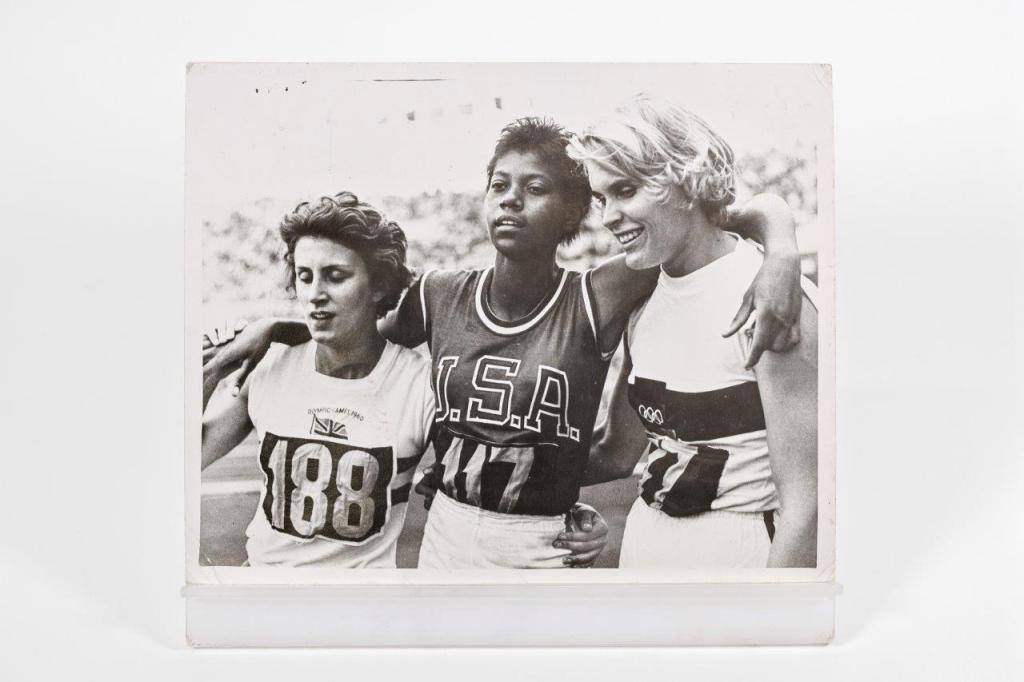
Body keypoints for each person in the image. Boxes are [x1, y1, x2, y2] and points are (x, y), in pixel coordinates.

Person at [205, 117, 803, 568]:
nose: (511, 199)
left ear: (575, 211)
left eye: (535, 187)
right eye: (499, 185)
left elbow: (710, 218)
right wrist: (273, 328)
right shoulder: (438, 293)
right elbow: (355, 339)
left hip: (543, 546)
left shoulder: (602, 292)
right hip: (445, 537)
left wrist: (781, 250)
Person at [571, 94, 818, 568]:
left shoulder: (772, 296)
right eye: (602, 198)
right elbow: (617, 453)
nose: (607, 216)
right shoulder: (642, 301)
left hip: (740, 552)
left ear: (686, 180)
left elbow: (807, 510)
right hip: (645, 544)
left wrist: (776, 607)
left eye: (626, 191)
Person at [201, 192, 432, 567]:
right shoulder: (270, 366)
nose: (315, 295)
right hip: (265, 588)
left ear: (378, 285)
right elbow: (186, 457)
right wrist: (212, 367)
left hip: (362, 598)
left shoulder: (419, 384)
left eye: (335, 277)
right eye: (305, 277)